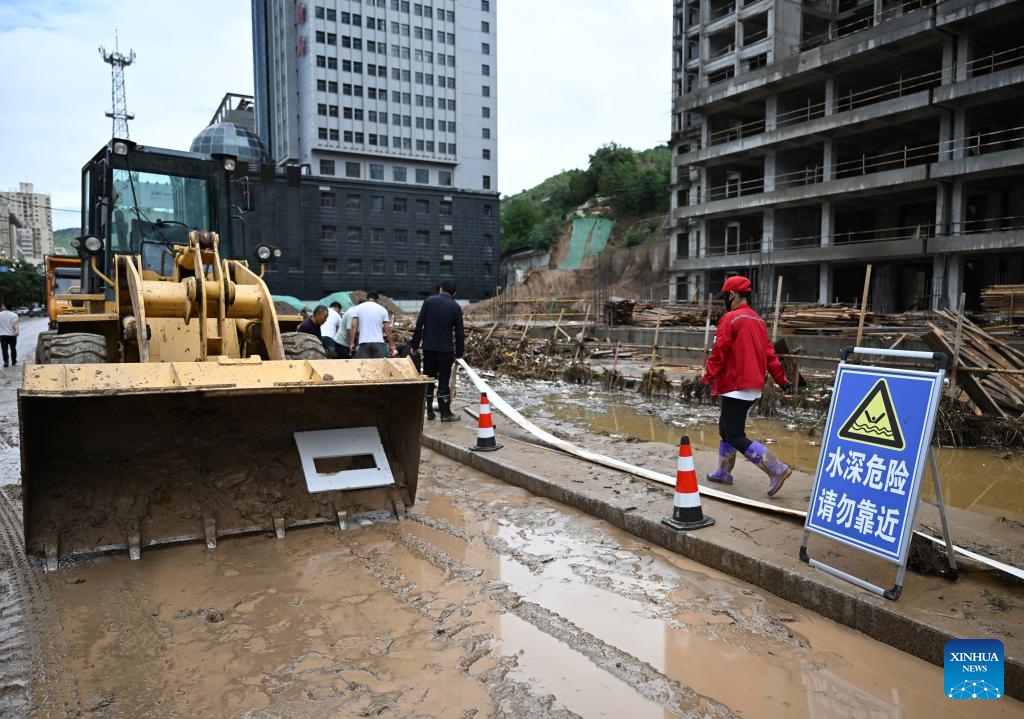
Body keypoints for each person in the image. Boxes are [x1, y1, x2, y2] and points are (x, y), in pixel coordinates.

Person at [696, 276, 794, 497]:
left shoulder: (731, 319)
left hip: (735, 385)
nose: (725, 301)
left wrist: (705, 379)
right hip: (751, 387)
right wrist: (782, 380)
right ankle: (723, 471)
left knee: (734, 434)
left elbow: (719, 353)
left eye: (725, 297)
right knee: (725, 428)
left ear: (731, 295)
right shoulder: (758, 321)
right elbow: (770, 356)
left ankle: (776, 468)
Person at [411, 280, 464, 422]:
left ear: (440, 289)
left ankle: (429, 411)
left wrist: (415, 344)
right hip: (445, 350)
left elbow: (419, 324)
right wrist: (459, 353)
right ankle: (445, 413)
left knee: (429, 378)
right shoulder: (455, 307)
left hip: (428, 348)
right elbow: (459, 333)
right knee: (443, 381)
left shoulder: (428, 302)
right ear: (454, 293)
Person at [349, 292, 395, 359]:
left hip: (364, 343)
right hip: (379, 343)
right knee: (379, 367)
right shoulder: (382, 309)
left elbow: (353, 326)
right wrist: (391, 344)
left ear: (367, 298)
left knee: (365, 367)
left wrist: (352, 343)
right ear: (377, 299)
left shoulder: (357, 308)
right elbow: (387, 328)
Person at [0, 303, 18, 367]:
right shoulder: (14, 315)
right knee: (13, 348)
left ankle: (6, 362)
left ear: (5, 307)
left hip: (2, 335)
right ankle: (13, 361)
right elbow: (15, 324)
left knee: (4, 349)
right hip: (12, 334)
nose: (1, 307)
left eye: (2, 306)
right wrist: (17, 331)